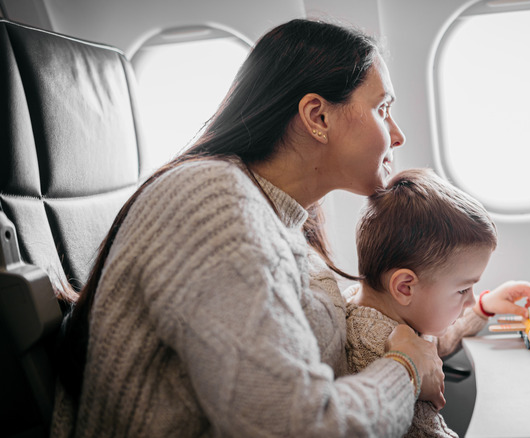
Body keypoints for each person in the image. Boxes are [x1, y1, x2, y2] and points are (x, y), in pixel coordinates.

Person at [51, 19, 446, 437]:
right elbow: (299, 427)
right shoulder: (214, 206)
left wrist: (468, 312)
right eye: (383, 109)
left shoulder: (286, 218)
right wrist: (406, 370)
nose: (397, 135)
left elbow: (343, 332)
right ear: (318, 116)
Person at [344, 168, 530, 437]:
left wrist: (484, 308)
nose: (470, 299)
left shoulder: (386, 311)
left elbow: (437, 342)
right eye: (463, 290)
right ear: (405, 287)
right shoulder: (379, 355)